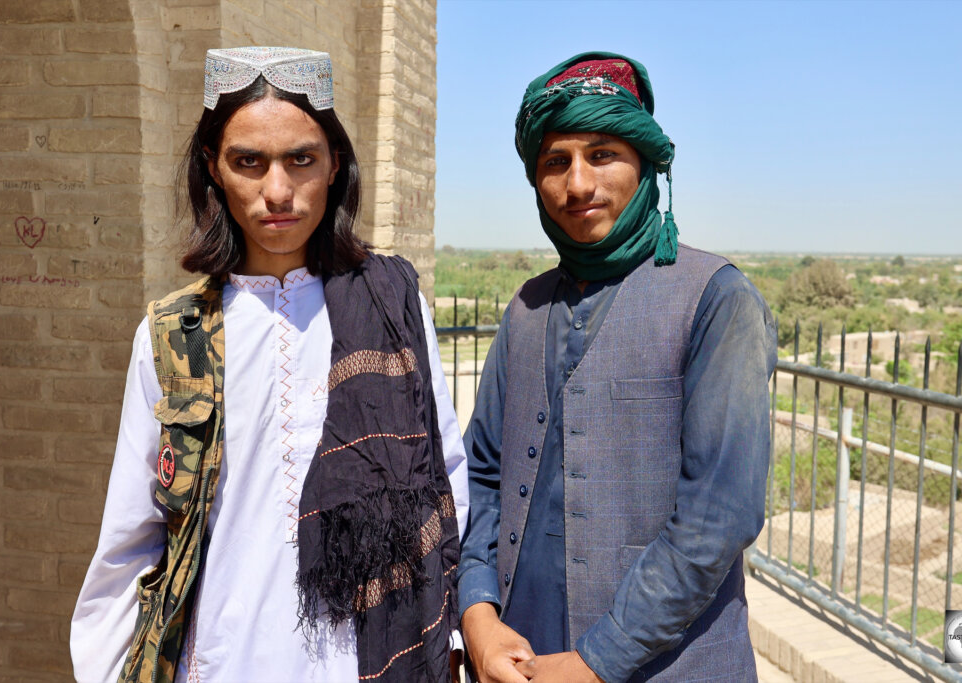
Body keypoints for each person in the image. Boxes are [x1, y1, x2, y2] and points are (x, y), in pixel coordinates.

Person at [71, 47, 466, 683]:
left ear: (335, 163)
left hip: (372, 655)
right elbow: (132, 536)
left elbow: (444, 478)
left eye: (300, 160)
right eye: (248, 162)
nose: (276, 191)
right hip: (226, 656)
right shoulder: (176, 333)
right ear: (214, 168)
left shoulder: (392, 303)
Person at [457, 52, 777, 683]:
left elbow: (719, 513)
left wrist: (594, 661)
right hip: (519, 654)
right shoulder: (528, 306)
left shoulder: (716, 297)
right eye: (556, 162)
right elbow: (483, 476)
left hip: (663, 663)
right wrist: (478, 615)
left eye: (601, 155)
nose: (578, 185)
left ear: (645, 163)